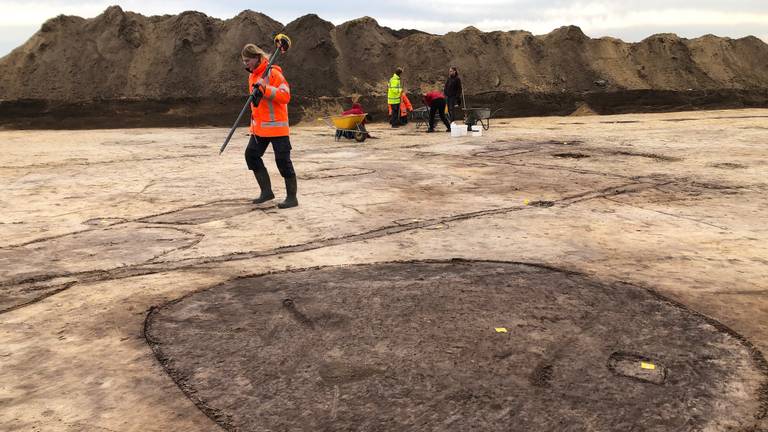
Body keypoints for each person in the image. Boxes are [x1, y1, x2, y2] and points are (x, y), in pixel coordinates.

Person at [241, 43, 298, 208]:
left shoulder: (273, 73)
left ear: (257, 57)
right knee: (251, 155)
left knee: (283, 161)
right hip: (260, 129)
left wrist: (265, 89)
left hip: (277, 127)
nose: (246, 64)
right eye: (244, 61)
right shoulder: (252, 76)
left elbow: (285, 96)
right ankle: (266, 192)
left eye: (248, 60)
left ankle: (292, 198)